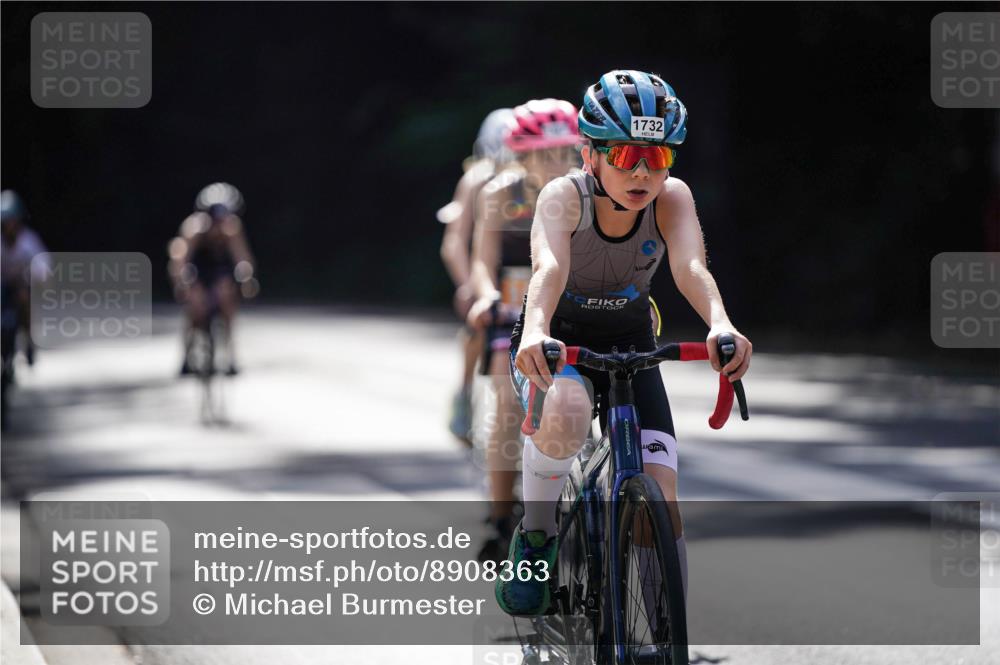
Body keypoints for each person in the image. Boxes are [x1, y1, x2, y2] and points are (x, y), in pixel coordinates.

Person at [495, 71, 753, 616]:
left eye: (657, 158)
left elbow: (688, 268)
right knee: (566, 407)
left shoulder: (672, 199)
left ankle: (664, 635)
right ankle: (536, 537)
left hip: (631, 341)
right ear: (590, 154)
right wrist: (537, 329)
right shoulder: (563, 197)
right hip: (556, 341)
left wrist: (720, 324)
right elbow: (548, 269)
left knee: (662, 493)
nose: (642, 172)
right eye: (628, 155)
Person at [464, 99, 581, 561]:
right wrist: (487, 296)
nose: (557, 163)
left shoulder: (583, 192)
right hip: (513, 311)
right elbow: (481, 259)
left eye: (566, 153)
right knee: (507, 396)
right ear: (521, 155)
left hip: (569, 309)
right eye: (545, 154)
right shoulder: (500, 193)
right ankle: (498, 514)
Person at [439, 109, 518, 446]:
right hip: (487, 269)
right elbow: (455, 241)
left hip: (524, 270)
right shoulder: (476, 180)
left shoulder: (543, 178)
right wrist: (468, 284)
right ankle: (466, 392)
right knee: (477, 326)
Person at [168, 184, 256, 376]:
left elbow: (242, 257)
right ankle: (186, 357)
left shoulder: (232, 229)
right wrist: (181, 283)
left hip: (220, 271)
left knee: (227, 301)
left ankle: (231, 357)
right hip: (197, 270)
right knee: (195, 307)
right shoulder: (194, 228)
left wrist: (246, 277)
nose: (218, 223)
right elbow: (179, 258)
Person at [1, 190, 49, 367]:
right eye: (7, 222)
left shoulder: (28, 241)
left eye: (13, 222)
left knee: (24, 300)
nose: (10, 226)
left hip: (20, 287)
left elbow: (43, 264)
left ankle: (28, 340)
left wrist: (38, 277)